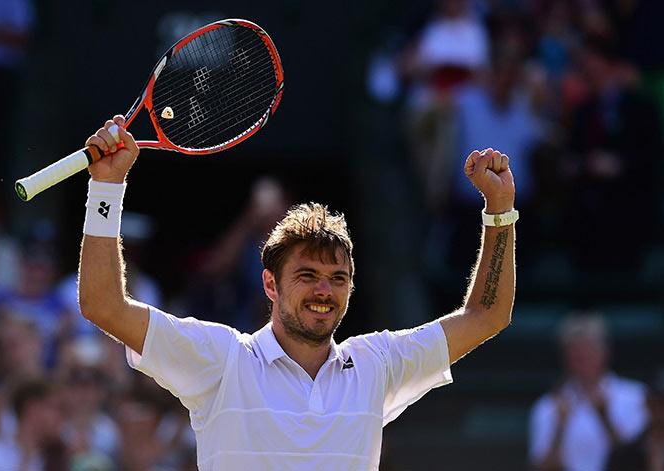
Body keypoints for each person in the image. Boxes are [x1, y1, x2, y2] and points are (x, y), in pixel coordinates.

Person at [77, 115, 517, 470]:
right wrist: (106, 188)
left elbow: (486, 315)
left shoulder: (376, 365)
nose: (324, 290)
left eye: (338, 278)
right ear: (270, 283)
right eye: (307, 276)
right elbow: (103, 306)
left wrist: (499, 212)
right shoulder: (223, 360)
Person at [528, 314, 649, 471]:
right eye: (575, 355)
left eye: (587, 353)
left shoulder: (637, 397)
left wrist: (605, 418)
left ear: (604, 352)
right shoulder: (549, 405)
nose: (580, 362)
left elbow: (638, 462)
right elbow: (541, 467)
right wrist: (559, 429)